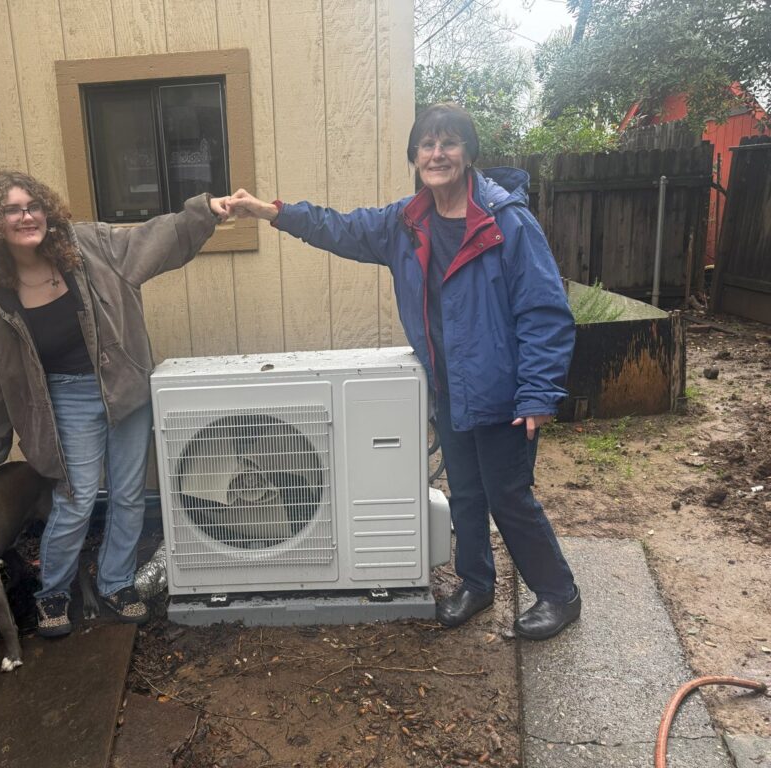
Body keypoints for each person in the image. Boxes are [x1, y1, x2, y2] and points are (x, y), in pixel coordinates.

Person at [227, 103, 581, 640]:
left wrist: (537, 393)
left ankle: (558, 595)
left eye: (450, 142)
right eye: (427, 144)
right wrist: (269, 211)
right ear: (414, 157)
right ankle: (477, 585)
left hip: (502, 392)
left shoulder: (506, 223)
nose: (437, 153)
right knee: (464, 492)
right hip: (447, 387)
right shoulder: (406, 223)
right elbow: (338, 228)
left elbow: (544, 311)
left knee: (508, 495)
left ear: (469, 153)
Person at [0, 169, 229, 634]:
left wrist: (202, 213)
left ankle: (115, 582)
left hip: (123, 386)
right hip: (64, 398)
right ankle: (53, 592)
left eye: (33, 206)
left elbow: (152, 239)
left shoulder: (90, 248)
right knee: (77, 498)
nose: (27, 216)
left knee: (127, 494)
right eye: (12, 209)